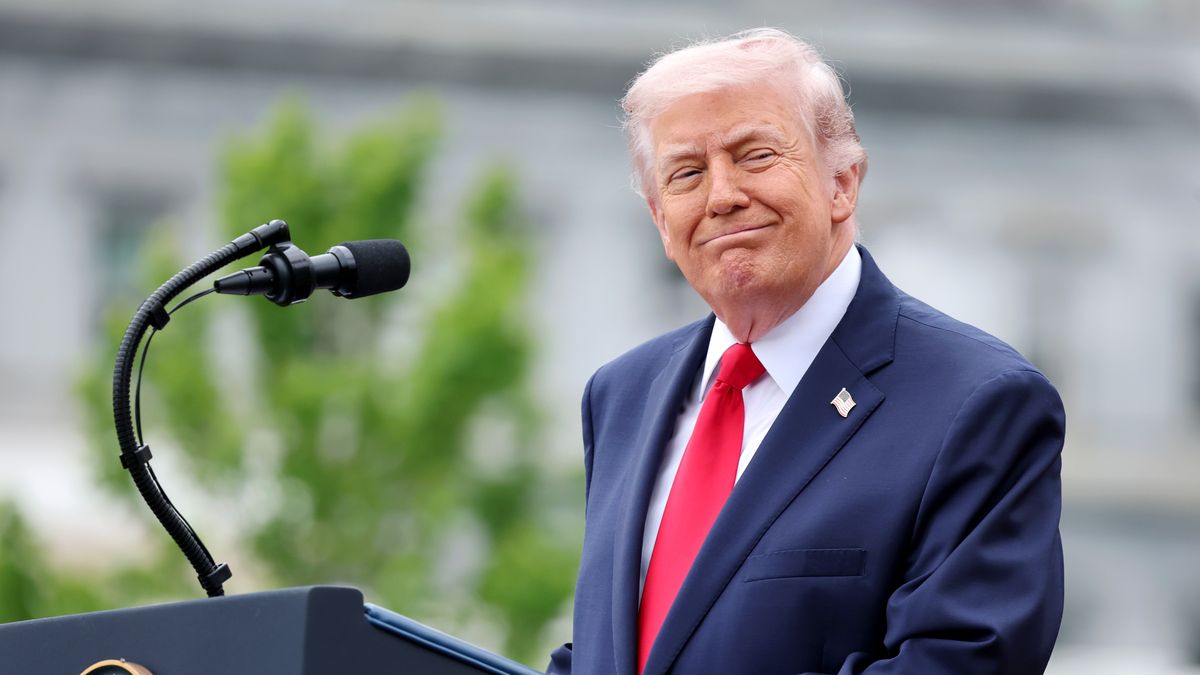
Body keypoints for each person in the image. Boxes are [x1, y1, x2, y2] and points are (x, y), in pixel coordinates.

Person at [547, 28, 1065, 675]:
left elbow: (955, 664)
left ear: (842, 183)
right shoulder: (621, 394)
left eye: (755, 155)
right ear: (660, 219)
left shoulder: (979, 402)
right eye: (687, 172)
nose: (722, 195)